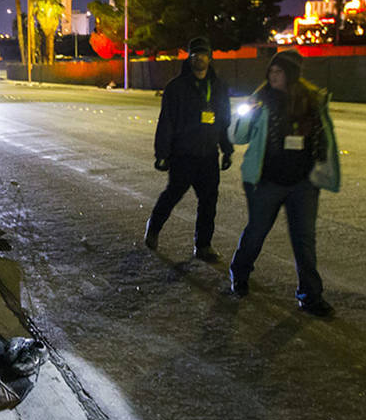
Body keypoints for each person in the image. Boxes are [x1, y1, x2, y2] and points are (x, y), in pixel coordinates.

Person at [227, 49, 340, 317]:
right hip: (266, 181)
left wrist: (323, 166)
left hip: (303, 183)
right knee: (256, 232)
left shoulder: (312, 100)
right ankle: (240, 273)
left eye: (279, 71)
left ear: (291, 74)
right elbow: (236, 136)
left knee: (304, 240)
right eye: (271, 71)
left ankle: (310, 295)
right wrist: (245, 115)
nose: (272, 76)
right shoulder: (260, 100)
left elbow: (325, 136)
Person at [145, 36, 234, 262]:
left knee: (208, 202)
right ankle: (154, 228)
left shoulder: (219, 87)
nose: (199, 59)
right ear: (189, 57)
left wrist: (227, 149)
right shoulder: (176, 88)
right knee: (173, 194)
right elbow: (166, 121)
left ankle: (203, 245)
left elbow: (224, 120)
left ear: (210, 57)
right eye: (195, 55)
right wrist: (162, 154)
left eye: (203, 55)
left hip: (208, 156)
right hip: (183, 154)